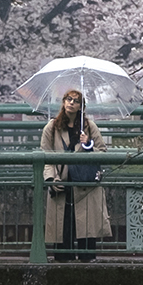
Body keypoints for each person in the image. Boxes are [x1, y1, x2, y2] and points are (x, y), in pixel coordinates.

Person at [41, 88, 109, 258]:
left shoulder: (89, 127)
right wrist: (51, 179)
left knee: (86, 225)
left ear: (81, 106)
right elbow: (46, 156)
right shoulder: (52, 127)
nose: (71, 103)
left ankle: (87, 259)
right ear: (63, 102)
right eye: (68, 99)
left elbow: (102, 152)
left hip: (84, 182)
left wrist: (88, 144)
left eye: (76, 101)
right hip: (61, 179)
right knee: (62, 225)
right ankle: (64, 259)